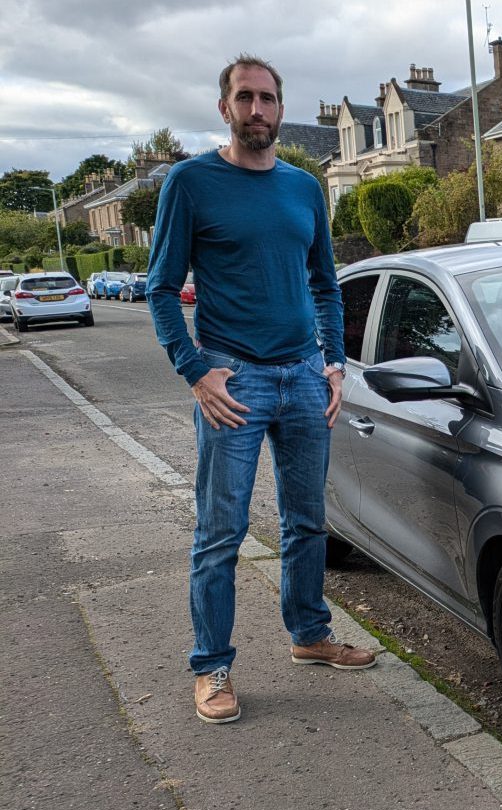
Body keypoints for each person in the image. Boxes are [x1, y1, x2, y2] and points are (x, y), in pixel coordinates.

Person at [148, 54, 375, 725]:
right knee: (222, 532)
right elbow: (160, 288)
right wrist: (193, 368)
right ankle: (212, 666)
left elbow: (326, 284)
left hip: (304, 375)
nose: (257, 110)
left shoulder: (304, 188)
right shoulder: (190, 183)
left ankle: (309, 634)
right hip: (233, 380)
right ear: (225, 107)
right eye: (244, 97)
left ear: (281, 108)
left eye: (268, 98)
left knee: (308, 520)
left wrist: (334, 363)